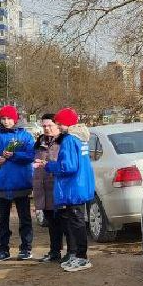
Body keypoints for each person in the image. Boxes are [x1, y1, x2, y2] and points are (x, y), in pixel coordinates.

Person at [0, 105, 36, 262]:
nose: (6, 121)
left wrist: (13, 155)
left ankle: (26, 248)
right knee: (3, 219)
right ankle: (3, 249)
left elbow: (31, 155)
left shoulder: (25, 136)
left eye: (9, 118)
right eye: (3, 118)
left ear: (15, 119)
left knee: (24, 218)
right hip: (1, 182)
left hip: (21, 182)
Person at [45, 108, 96, 271]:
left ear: (67, 124)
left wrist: (49, 165)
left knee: (77, 224)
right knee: (78, 222)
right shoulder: (80, 138)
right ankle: (78, 256)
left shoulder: (68, 140)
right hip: (80, 186)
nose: (58, 127)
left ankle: (81, 258)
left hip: (73, 188)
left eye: (59, 124)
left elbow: (68, 166)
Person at [32, 114, 68, 263]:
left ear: (57, 125)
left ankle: (71, 252)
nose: (46, 129)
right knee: (52, 223)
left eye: (50, 126)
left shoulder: (64, 141)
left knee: (64, 222)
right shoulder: (39, 141)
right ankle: (54, 251)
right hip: (43, 188)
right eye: (44, 126)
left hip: (58, 187)